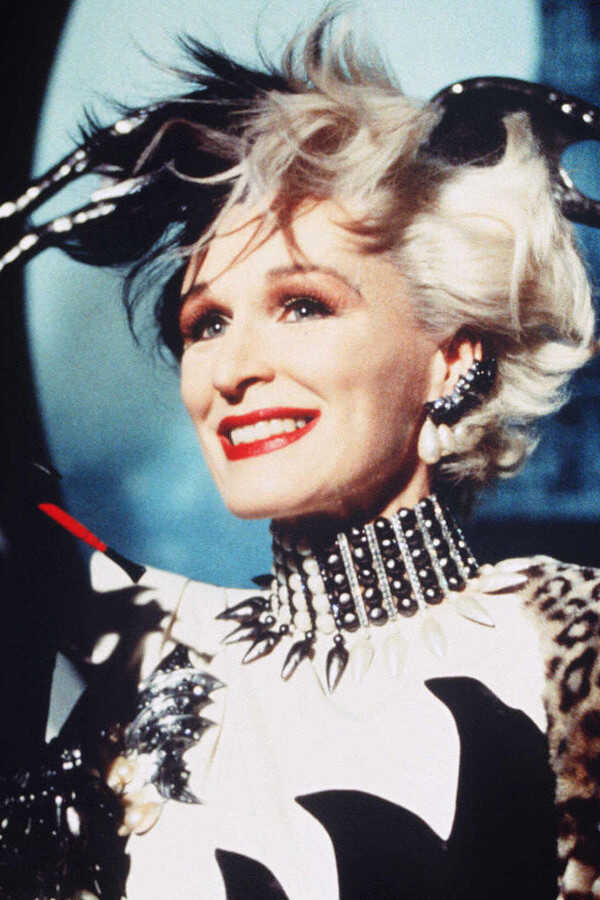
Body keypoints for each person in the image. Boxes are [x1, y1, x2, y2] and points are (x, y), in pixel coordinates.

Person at [1, 10, 600, 900]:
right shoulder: (143, 647)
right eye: (206, 323)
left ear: (452, 356)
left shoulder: (566, 642)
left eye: (304, 305)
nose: (232, 369)